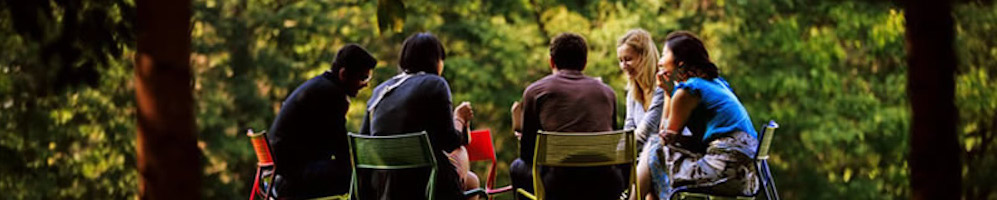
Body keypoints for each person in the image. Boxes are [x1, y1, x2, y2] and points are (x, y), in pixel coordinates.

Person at [357, 32, 478, 200]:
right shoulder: (435, 83)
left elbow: (364, 144)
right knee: (464, 158)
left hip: (380, 187)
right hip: (426, 186)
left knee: (471, 180)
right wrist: (459, 118)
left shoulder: (380, 91)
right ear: (437, 60)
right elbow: (450, 142)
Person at [645, 31, 760, 199]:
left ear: (680, 63)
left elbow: (665, 137)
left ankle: (634, 197)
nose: (660, 62)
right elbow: (697, 139)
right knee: (655, 158)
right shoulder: (716, 84)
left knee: (655, 148)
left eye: (663, 55)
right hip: (747, 176)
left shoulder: (689, 90)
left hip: (723, 172)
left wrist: (667, 93)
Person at [510, 32, 621, 200]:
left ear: (551, 61)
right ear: (584, 63)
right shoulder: (607, 92)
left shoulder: (536, 91)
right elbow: (612, 144)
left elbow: (528, 154)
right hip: (606, 183)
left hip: (557, 185)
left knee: (517, 167)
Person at [267, 44, 376, 199]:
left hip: (280, 175)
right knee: (360, 178)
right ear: (344, 74)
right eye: (363, 78)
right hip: (293, 178)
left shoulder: (319, 86)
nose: (366, 84)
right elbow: (341, 149)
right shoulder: (333, 95)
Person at [615, 29, 668, 200]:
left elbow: (646, 131)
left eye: (628, 59)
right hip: (644, 157)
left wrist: (615, 154)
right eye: (621, 60)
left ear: (644, 57)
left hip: (666, 153)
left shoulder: (661, 88)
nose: (624, 65)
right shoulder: (632, 93)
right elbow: (629, 128)